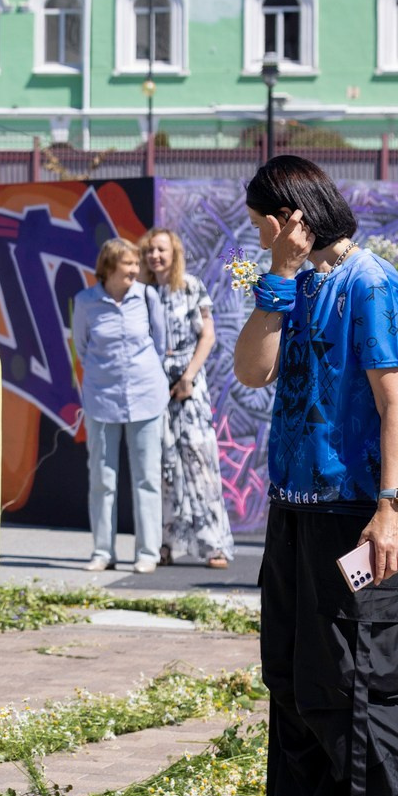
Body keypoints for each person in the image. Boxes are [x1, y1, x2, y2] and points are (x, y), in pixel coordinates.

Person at [233, 155, 398, 796]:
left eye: (262, 215)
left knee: (361, 680)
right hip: (293, 506)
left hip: (355, 511)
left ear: (292, 211)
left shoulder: (372, 285)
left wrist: (391, 508)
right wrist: (279, 280)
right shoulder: (292, 284)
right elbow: (251, 370)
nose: (255, 228)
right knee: (294, 676)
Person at [70, 237, 170, 574]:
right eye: (128, 264)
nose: (136, 269)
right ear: (109, 267)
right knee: (102, 478)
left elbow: (160, 344)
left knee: (147, 478)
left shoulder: (147, 296)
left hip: (146, 396)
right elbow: (81, 347)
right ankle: (103, 551)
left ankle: (147, 552)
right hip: (102, 399)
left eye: (135, 264)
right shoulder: (85, 301)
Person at [141, 228, 234, 570]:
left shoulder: (191, 287)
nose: (155, 256)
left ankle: (215, 545)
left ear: (174, 252)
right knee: (163, 465)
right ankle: (164, 544)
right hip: (154, 384)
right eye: (150, 250)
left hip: (189, 383)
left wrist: (188, 377)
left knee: (199, 459)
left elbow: (207, 336)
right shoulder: (144, 291)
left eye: (161, 249)